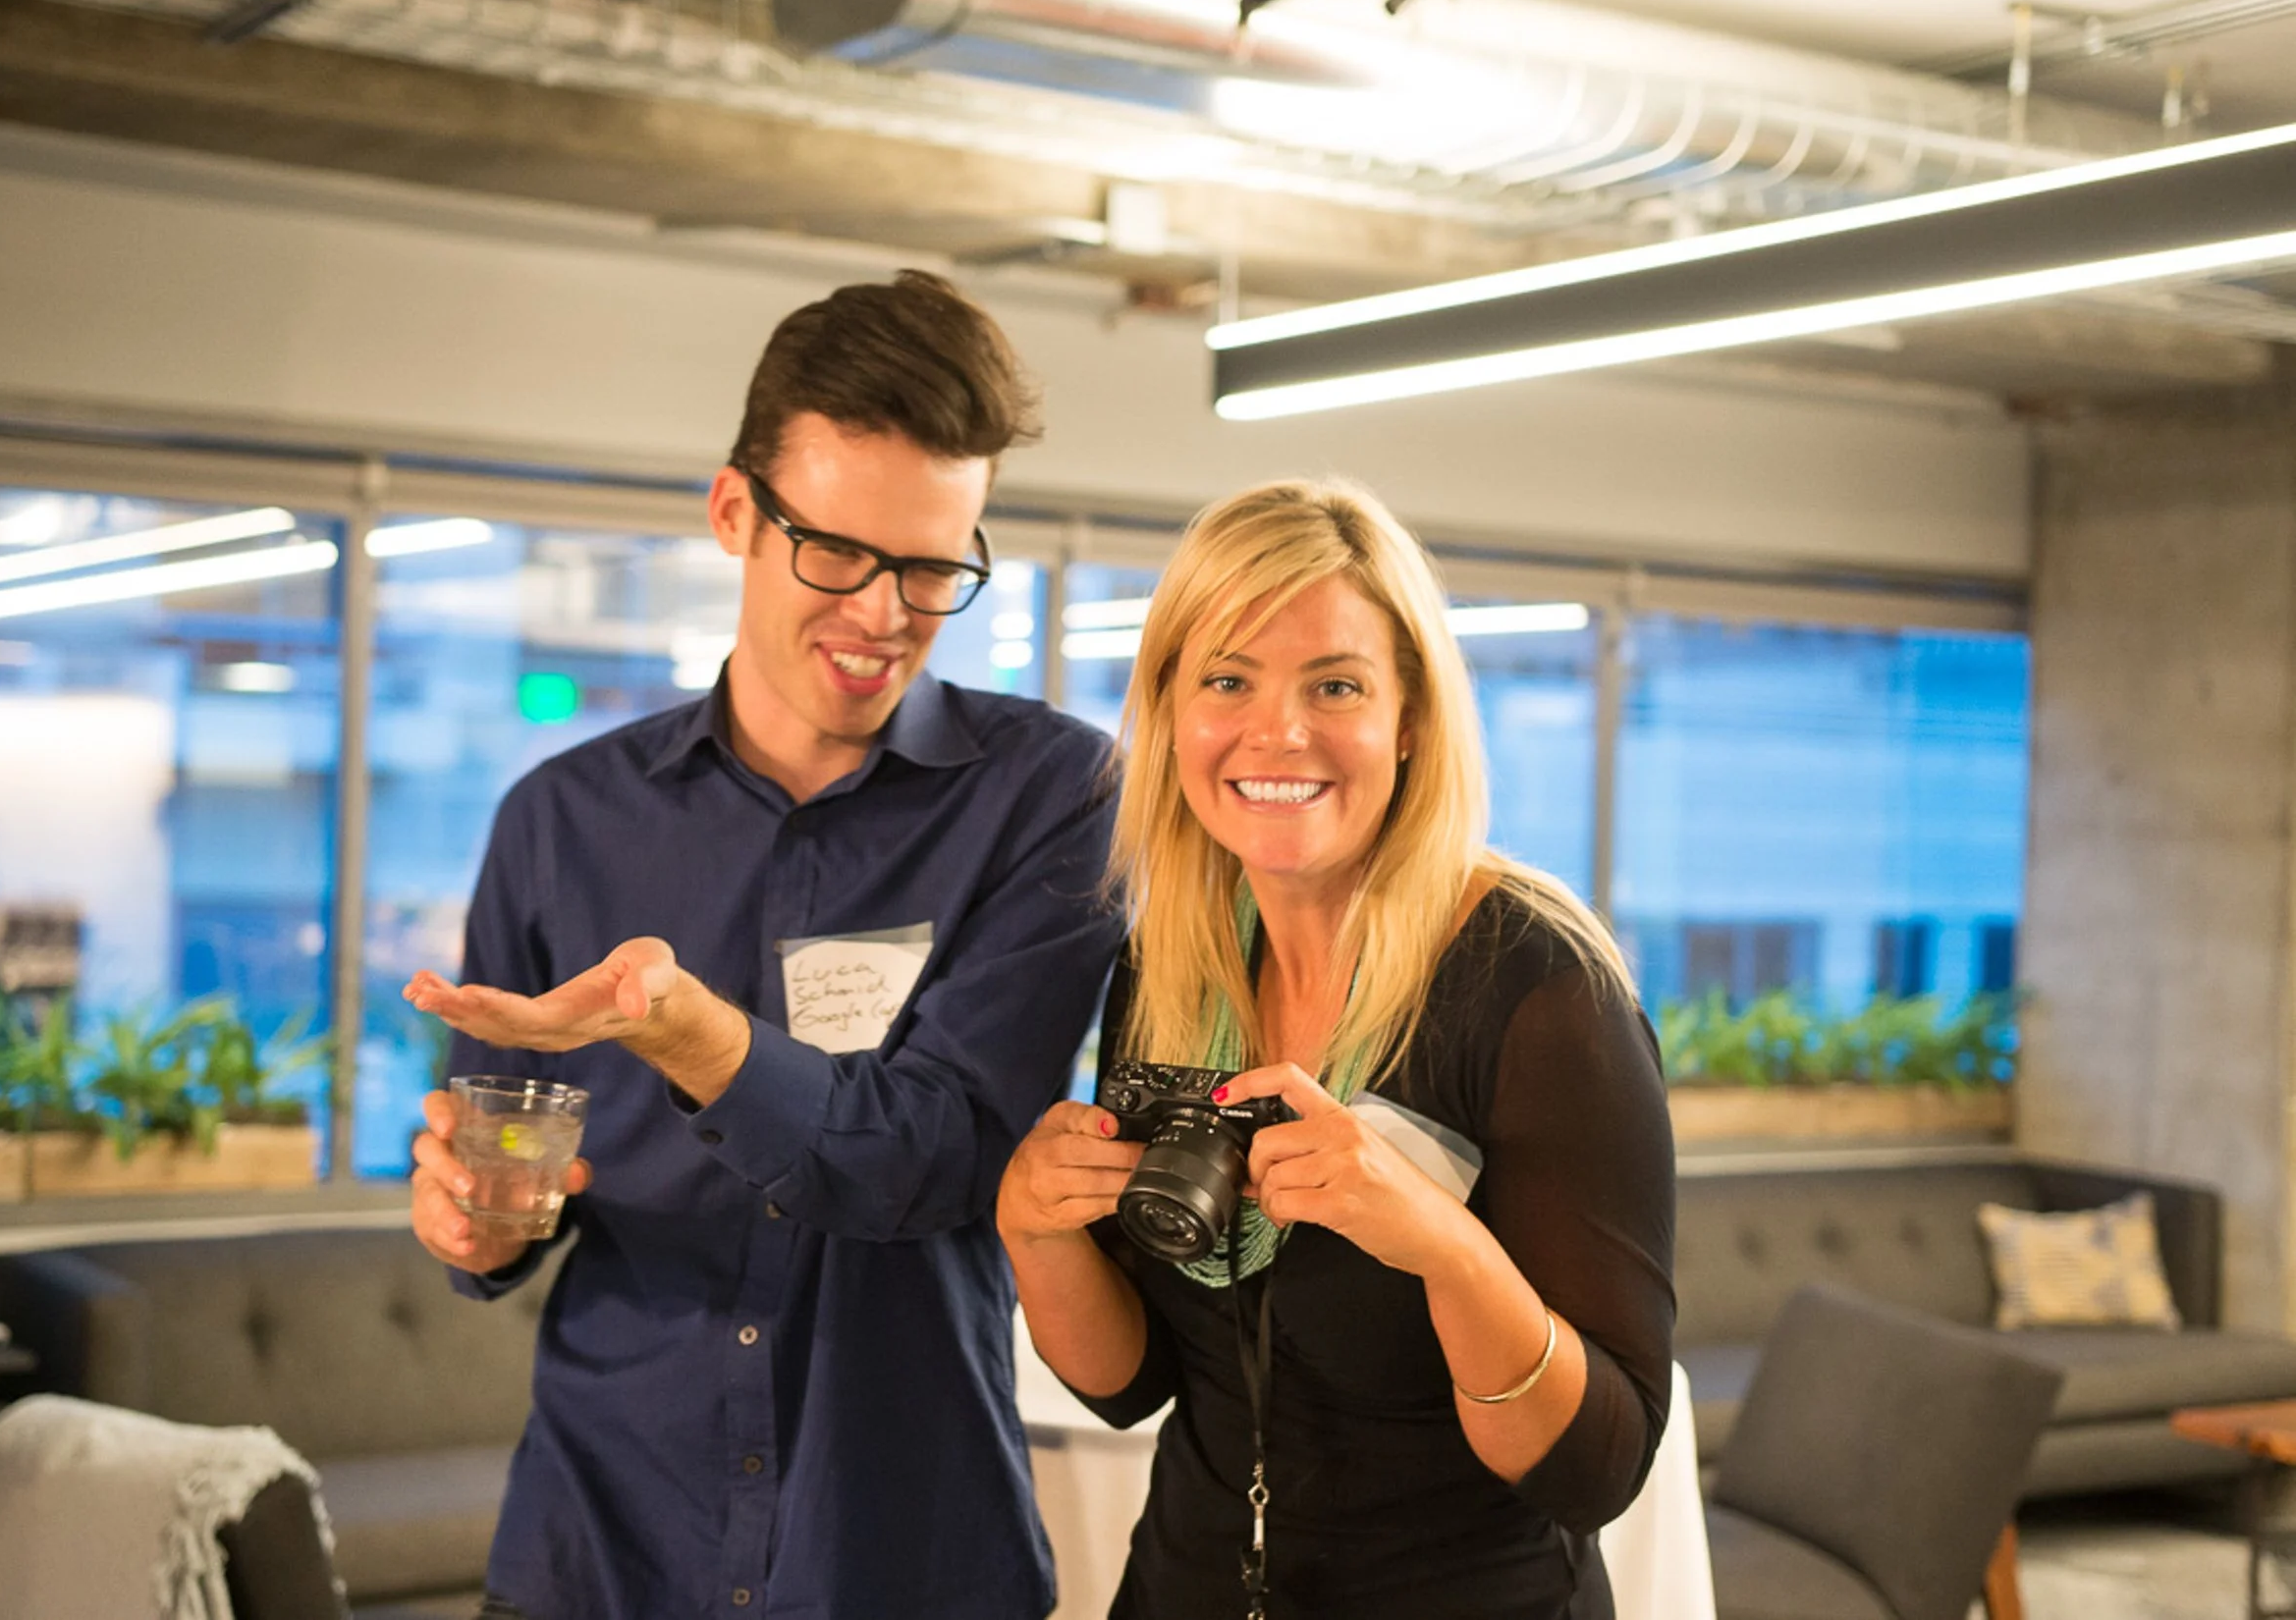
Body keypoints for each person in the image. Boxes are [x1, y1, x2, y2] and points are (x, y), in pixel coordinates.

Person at [401, 270, 1121, 1620]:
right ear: (735, 510)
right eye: (839, 552)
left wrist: (685, 1026)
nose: (884, 612)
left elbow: (934, 1153)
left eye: (932, 566)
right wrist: (473, 1220)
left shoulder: (1058, 796)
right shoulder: (562, 820)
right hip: (599, 1546)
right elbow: (502, 1159)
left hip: (905, 1548)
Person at [996, 479, 1675, 1620]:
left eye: (1336, 685)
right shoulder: (1172, 965)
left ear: (1409, 717)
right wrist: (1033, 1225)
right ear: (1168, 710)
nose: (1278, 732)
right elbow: (1135, 1382)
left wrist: (1441, 1246)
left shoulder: (1541, 990)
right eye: (1225, 679)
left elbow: (1593, 1467)